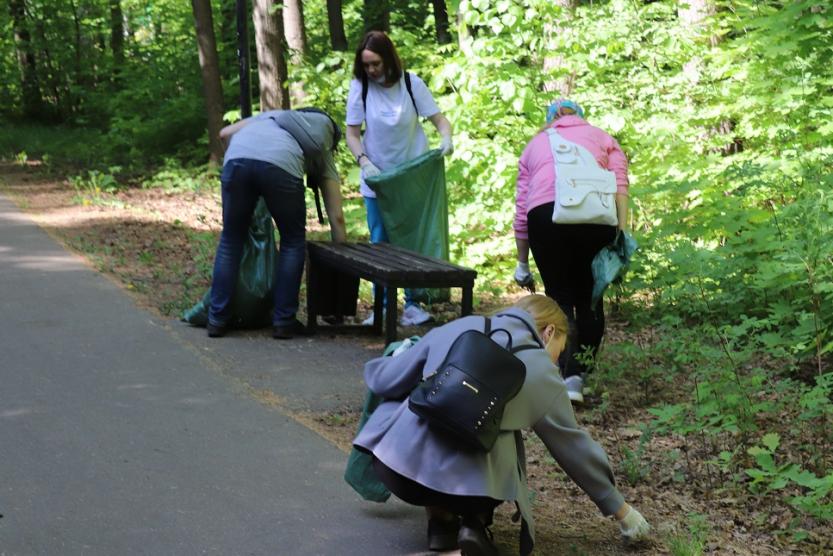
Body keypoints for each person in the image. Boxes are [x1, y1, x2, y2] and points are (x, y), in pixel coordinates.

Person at [353, 294, 650, 555]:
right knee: (499, 428)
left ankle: (441, 525)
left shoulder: (460, 325)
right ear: (548, 333)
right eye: (559, 351)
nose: (557, 362)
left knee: (414, 401)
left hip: (394, 469)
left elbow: (385, 380)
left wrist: (401, 355)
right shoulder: (542, 371)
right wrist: (622, 511)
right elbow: (573, 448)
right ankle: (474, 522)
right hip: (468, 490)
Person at [513, 99, 629, 403]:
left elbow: (522, 208)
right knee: (590, 298)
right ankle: (578, 377)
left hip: (545, 215)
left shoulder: (536, 144)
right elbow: (620, 186)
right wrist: (620, 233)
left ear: (550, 120)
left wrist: (521, 262)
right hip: (596, 217)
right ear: (581, 116)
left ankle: (562, 374)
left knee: (559, 297)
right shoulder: (603, 137)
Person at [345, 30, 454, 327]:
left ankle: (413, 304)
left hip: (410, 178)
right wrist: (363, 161)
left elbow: (440, 120)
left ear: (389, 59)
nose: (371, 70)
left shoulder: (410, 83)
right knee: (380, 242)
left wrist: (446, 137)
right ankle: (381, 308)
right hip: (377, 179)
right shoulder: (361, 87)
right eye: (366, 65)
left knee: (409, 241)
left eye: (376, 64)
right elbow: (352, 134)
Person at [206, 109, 346, 340]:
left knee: (231, 239)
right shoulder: (322, 151)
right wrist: (341, 270)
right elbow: (337, 219)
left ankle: (217, 319)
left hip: (237, 158)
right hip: (281, 166)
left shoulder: (271, 117)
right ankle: (283, 321)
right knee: (292, 241)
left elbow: (224, 133)